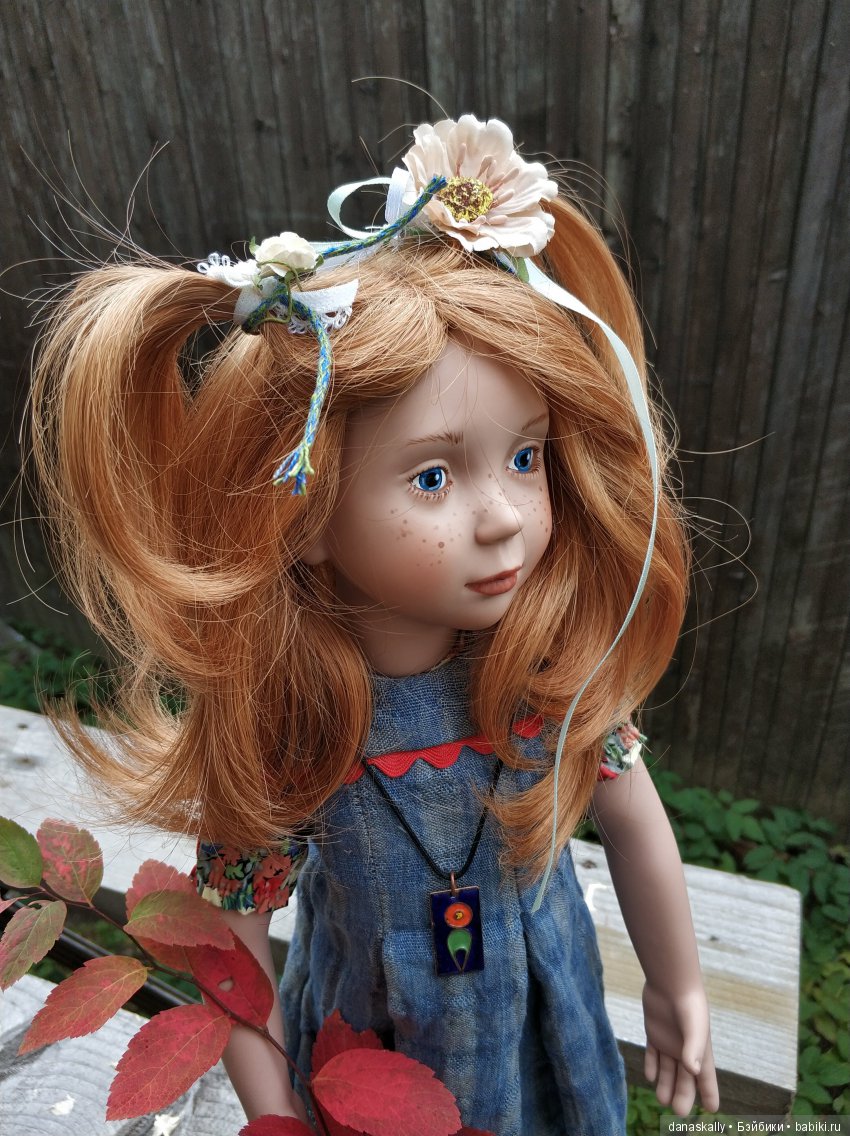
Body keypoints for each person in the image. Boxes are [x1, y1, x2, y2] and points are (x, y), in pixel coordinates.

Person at [31, 115, 720, 1134]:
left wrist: (677, 983)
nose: (504, 516)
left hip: (545, 1030)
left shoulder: (546, 671)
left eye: (526, 456)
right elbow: (233, 939)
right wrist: (274, 1109)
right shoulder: (296, 724)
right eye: (433, 476)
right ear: (304, 517)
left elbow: (633, 821)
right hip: (367, 1058)